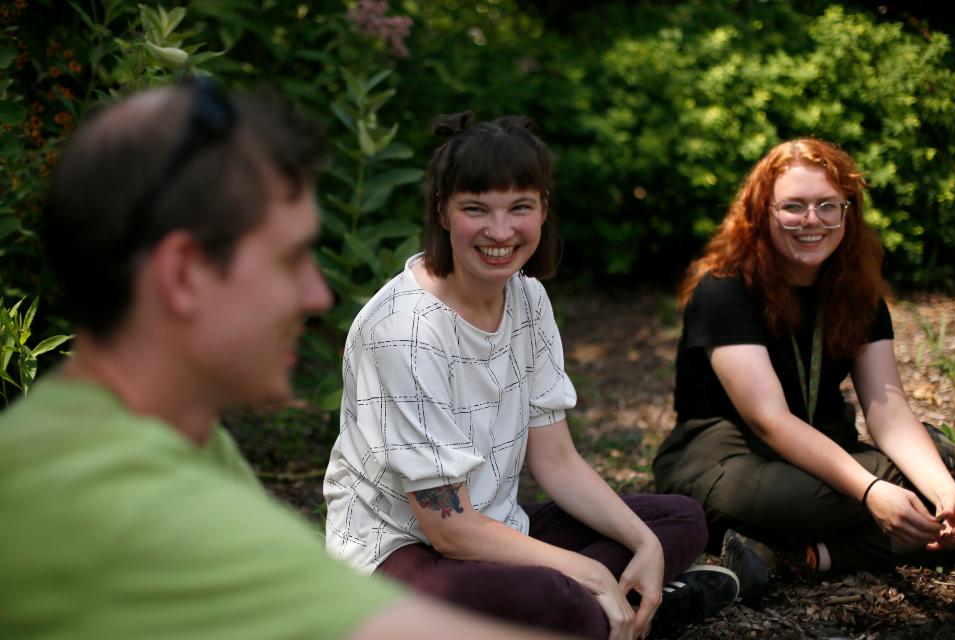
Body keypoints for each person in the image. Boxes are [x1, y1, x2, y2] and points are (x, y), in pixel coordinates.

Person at [0, 80, 577, 640]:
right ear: (183, 276)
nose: (317, 295)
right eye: (290, 258)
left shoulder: (163, 441)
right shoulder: (116, 495)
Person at [324, 111, 739, 640]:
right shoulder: (404, 332)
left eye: (519, 207)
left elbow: (556, 459)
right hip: (401, 557)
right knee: (555, 596)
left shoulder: (527, 297)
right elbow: (448, 529)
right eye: (476, 209)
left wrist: (644, 544)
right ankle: (627, 611)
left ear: (543, 210)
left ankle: (610, 610)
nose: (500, 232)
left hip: (496, 530)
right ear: (443, 212)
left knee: (677, 521)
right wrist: (586, 571)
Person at [653, 137, 955, 602]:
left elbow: (889, 412)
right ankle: (899, 496)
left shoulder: (858, 292)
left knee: (942, 501)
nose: (811, 220)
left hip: (821, 453)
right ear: (763, 213)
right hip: (727, 461)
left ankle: (801, 557)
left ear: (847, 213)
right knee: (902, 490)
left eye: (826, 206)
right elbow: (768, 420)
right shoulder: (724, 291)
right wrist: (874, 489)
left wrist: (943, 492)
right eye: (792, 207)